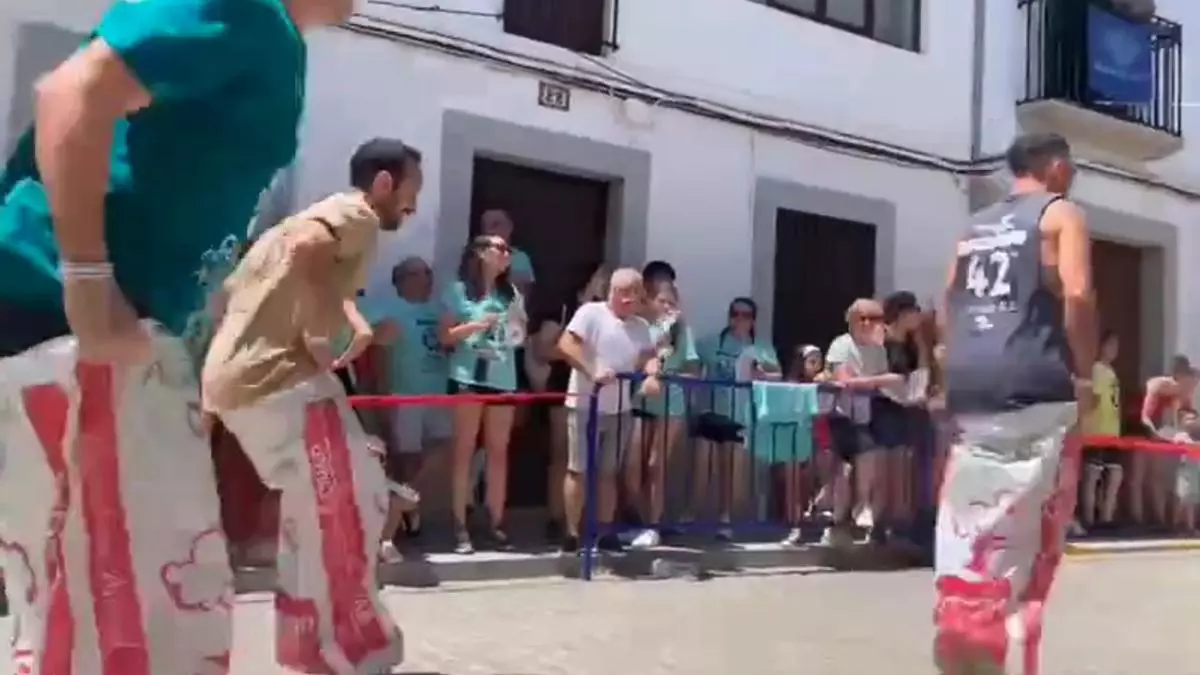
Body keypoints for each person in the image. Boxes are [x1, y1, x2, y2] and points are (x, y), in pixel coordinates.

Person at [0, 0, 344, 669]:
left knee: (132, 610)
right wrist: (89, 284)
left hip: (124, 340)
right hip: (58, 323)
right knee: (121, 613)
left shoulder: (278, 43)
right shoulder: (241, 8)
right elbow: (72, 93)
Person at [202, 138, 422, 674]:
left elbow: (241, 290)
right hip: (278, 378)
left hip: (238, 382)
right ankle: (339, 649)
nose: (414, 207)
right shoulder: (358, 214)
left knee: (318, 505)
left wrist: (334, 322)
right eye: (412, 191)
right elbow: (308, 250)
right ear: (385, 182)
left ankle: (311, 641)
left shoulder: (305, 220)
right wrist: (312, 333)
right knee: (352, 502)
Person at [935, 132, 1096, 675]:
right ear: (1054, 166)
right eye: (1070, 166)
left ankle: (961, 649)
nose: (1072, 175)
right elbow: (1077, 295)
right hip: (1034, 388)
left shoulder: (971, 228)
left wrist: (950, 373)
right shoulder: (1059, 214)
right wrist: (1086, 374)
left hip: (972, 393)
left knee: (971, 542)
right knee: (1029, 561)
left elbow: (948, 308)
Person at [556, 268, 659, 553]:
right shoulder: (590, 313)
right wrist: (593, 370)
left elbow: (649, 356)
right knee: (577, 470)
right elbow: (566, 344)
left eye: (634, 293)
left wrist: (652, 375)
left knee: (608, 473)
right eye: (623, 292)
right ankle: (572, 533)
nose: (628, 298)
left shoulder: (640, 326)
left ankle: (604, 531)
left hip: (620, 409)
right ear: (611, 291)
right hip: (585, 404)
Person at [440, 234, 526, 554]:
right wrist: (477, 325)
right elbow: (445, 337)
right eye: (500, 248)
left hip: (503, 377)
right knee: (463, 450)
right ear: (480, 253)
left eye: (508, 249)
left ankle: (495, 522)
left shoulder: (512, 293)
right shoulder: (458, 290)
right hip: (468, 376)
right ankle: (459, 524)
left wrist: (517, 327)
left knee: (498, 452)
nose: (506, 254)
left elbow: (518, 337)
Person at [362, 256, 449, 559]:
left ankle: (402, 499)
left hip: (438, 394)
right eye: (420, 273)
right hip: (403, 394)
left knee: (443, 448)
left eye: (428, 271)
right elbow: (375, 352)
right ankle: (407, 520)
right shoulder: (386, 309)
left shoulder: (439, 309)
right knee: (407, 457)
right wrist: (382, 396)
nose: (428, 277)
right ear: (403, 279)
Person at [528, 263, 609, 541]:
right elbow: (542, 350)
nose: (606, 283)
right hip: (563, 389)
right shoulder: (562, 310)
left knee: (594, 460)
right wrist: (574, 350)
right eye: (602, 277)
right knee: (564, 454)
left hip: (598, 392)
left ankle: (587, 519)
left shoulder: (609, 313)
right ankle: (556, 516)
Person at [689, 297, 781, 541]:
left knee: (731, 470)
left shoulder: (761, 346)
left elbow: (777, 375)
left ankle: (725, 519)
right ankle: (689, 516)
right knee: (701, 467)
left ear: (753, 320)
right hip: (710, 412)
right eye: (735, 314)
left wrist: (762, 374)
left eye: (746, 315)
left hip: (741, 416)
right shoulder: (712, 341)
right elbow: (692, 363)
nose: (740, 319)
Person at [625, 278, 699, 548]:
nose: (667, 306)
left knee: (657, 465)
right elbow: (635, 359)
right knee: (632, 466)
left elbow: (693, 368)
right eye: (662, 300)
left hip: (672, 403)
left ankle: (652, 525)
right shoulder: (642, 327)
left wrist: (671, 373)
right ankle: (640, 519)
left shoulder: (682, 331)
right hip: (642, 399)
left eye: (671, 302)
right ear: (650, 301)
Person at [825, 298, 901, 543]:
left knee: (873, 456)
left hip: (866, 413)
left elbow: (880, 382)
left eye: (875, 319)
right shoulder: (841, 345)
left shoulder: (878, 349)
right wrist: (880, 381)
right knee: (846, 467)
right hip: (841, 414)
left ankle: (860, 511)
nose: (868, 324)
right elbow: (844, 380)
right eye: (863, 318)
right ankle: (851, 511)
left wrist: (882, 383)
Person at [1133, 354, 1197, 530]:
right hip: (1141, 429)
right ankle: (1136, 519)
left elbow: (1184, 417)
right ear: (1179, 376)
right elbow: (1145, 416)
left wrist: (1179, 435)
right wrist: (1159, 435)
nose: (1191, 387)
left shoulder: (1183, 393)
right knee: (1138, 477)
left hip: (1159, 433)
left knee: (1158, 476)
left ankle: (1159, 519)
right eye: (1189, 382)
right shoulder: (1158, 385)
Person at [779, 344, 832, 545]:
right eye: (812, 360)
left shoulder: (826, 382)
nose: (817, 364)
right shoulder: (792, 384)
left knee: (821, 478)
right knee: (795, 482)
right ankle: (796, 525)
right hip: (798, 434)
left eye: (819, 359)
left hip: (820, 434)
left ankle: (813, 516)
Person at [1077, 331, 1123, 533]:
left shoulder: (1111, 371)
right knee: (1092, 475)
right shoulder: (1096, 369)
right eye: (1110, 345)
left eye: (1116, 347)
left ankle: (1107, 516)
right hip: (1095, 430)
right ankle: (1089, 518)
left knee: (1115, 474)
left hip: (1112, 431)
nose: (1113, 350)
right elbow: (1092, 399)